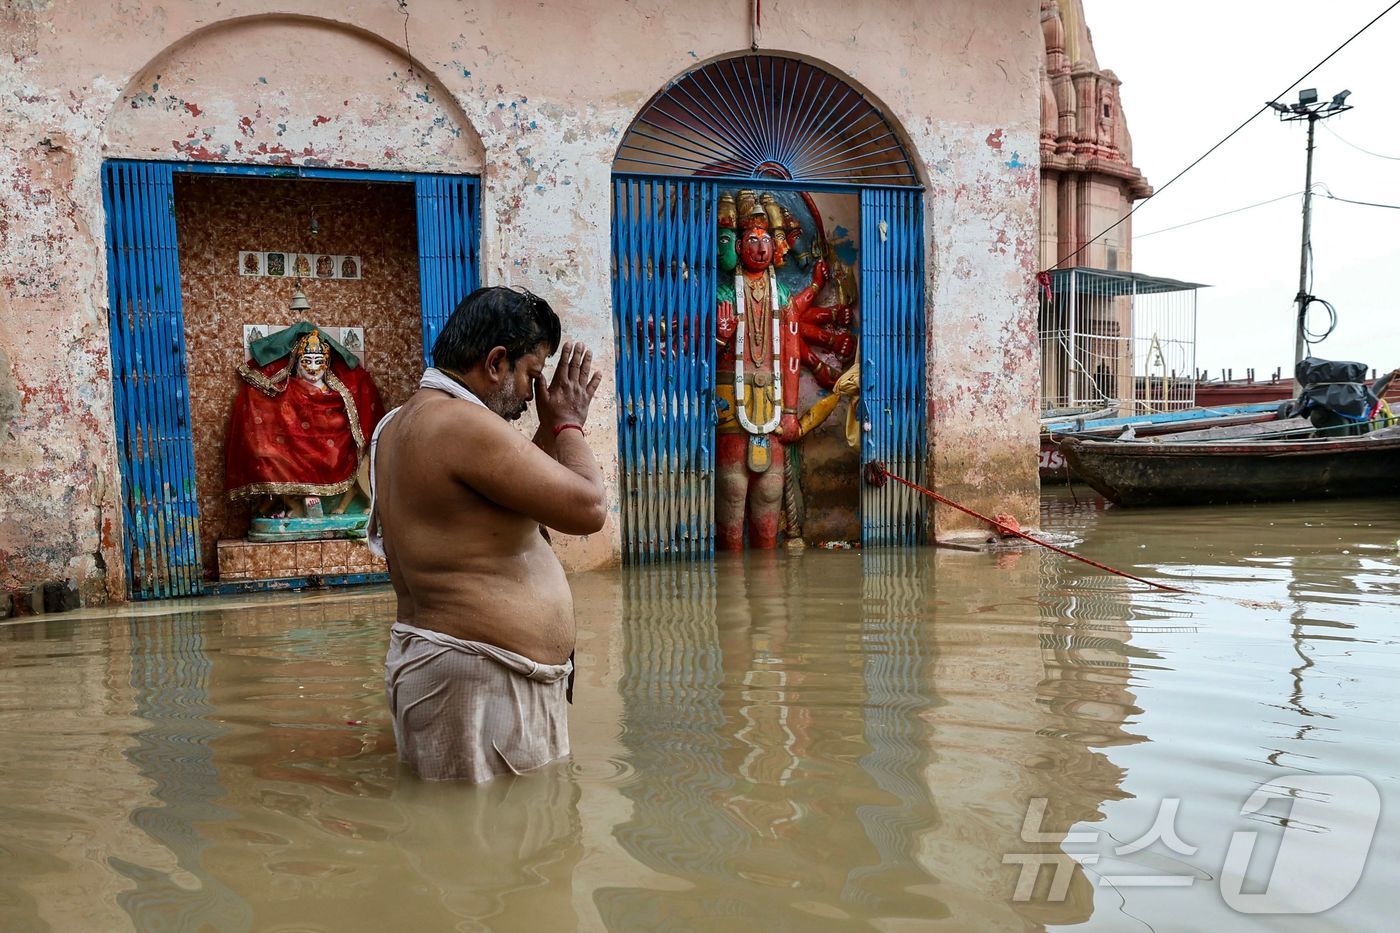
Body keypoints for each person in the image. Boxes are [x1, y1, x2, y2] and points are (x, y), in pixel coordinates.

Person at [369, 287, 605, 782]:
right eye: (531, 375)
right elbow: (587, 508)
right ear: (496, 361)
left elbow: (513, 494)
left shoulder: (403, 422)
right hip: (476, 677)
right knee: (487, 847)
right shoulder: (457, 424)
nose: (529, 396)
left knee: (488, 845)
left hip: (465, 672)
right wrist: (568, 425)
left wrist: (552, 428)